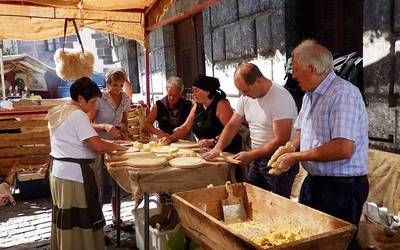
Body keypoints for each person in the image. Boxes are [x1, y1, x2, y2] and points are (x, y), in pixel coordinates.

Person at [268, 40, 368, 249]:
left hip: (342, 187)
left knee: (337, 244)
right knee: (310, 238)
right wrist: (290, 147)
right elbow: (302, 131)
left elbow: (343, 148)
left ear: (311, 68)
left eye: (295, 69)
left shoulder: (343, 94)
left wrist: (296, 157)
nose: (293, 75)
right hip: (316, 181)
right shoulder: (309, 95)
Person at [46, 77, 127, 250]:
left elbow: (80, 135)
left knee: (67, 216)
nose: (93, 106)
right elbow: (97, 145)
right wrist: (118, 147)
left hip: (59, 173)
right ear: (81, 98)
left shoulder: (60, 110)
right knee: (80, 218)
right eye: (92, 102)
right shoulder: (77, 115)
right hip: (73, 176)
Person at [203, 63, 299, 198]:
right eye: (242, 92)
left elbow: (280, 139)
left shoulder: (280, 98)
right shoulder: (246, 97)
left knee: (277, 204)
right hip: (257, 158)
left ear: (258, 81)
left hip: (279, 161)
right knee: (253, 199)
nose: (244, 95)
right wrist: (218, 147)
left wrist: (251, 155)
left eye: (246, 91)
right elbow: (232, 124)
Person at [91, 68, 133, 233]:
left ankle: (117, 218)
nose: (118, 88)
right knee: (101, 185)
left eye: (120, 85)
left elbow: (124, 121)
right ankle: (99, 227)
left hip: (117, 145)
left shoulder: (124, 98)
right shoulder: (100, 99)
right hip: (100, 144)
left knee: (117, 183)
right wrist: (105, 126)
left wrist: (125, 133)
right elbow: (88, 123)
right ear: (108, 82)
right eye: (114, 84)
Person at [161, 75, 242, 153]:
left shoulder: (221, 105)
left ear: (207, 91)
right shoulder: (197, 105)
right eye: (193, 90)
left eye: (196, 90)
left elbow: (232, 130)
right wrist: (171, 138)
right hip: (207, 150)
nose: (193, 93)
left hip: (226, 151)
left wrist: (213, 141)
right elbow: (186, 127)